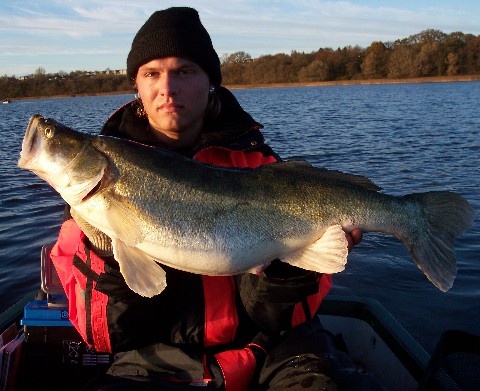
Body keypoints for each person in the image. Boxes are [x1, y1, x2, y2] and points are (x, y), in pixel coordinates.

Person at [50, 7, 373, 391]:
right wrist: (108, 254)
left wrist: (293, 266)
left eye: (185, 71)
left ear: (210, 82)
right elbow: (104, 334)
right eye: (151, 73)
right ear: (136, 85)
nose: (167, 88)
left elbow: (282, 318)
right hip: (151, 363)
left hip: (270, 350)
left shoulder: (260, 167)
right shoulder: (98, 187)